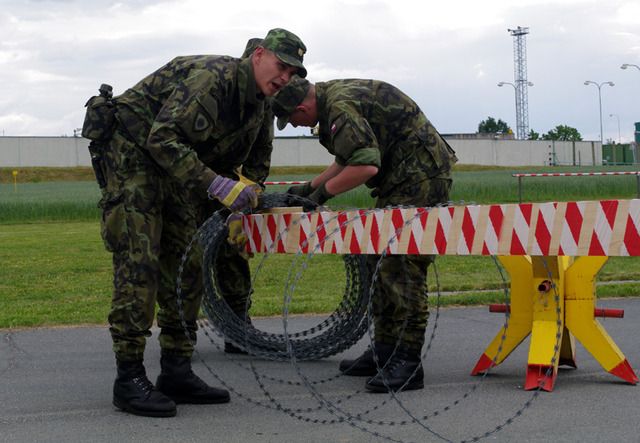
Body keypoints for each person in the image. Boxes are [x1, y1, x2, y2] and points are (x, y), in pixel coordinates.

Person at [84, 28, 307, 417]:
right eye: (281, 65)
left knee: (188, 263)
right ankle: (129, 378)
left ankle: (176, 369)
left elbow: (256, 164)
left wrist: (245, 199)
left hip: (179, 172)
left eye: (293, 72)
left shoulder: (262, 106)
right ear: (258, 55)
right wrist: (217, 185)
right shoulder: (214, 78)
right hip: (135, 155)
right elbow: (162, 139)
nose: (285, 77)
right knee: (141, 260)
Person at [271, 76, 457, 393]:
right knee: (378, 263)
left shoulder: (339, 106)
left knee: (401, 266)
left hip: (420, 178)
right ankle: (384, 352)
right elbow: (347, 159)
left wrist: (319, 197)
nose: (298, 125)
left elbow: (366, 167)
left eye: (294, 120)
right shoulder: (333, 101)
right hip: (401, 180)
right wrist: (306, 189)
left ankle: (408, 362)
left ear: (303, 107)